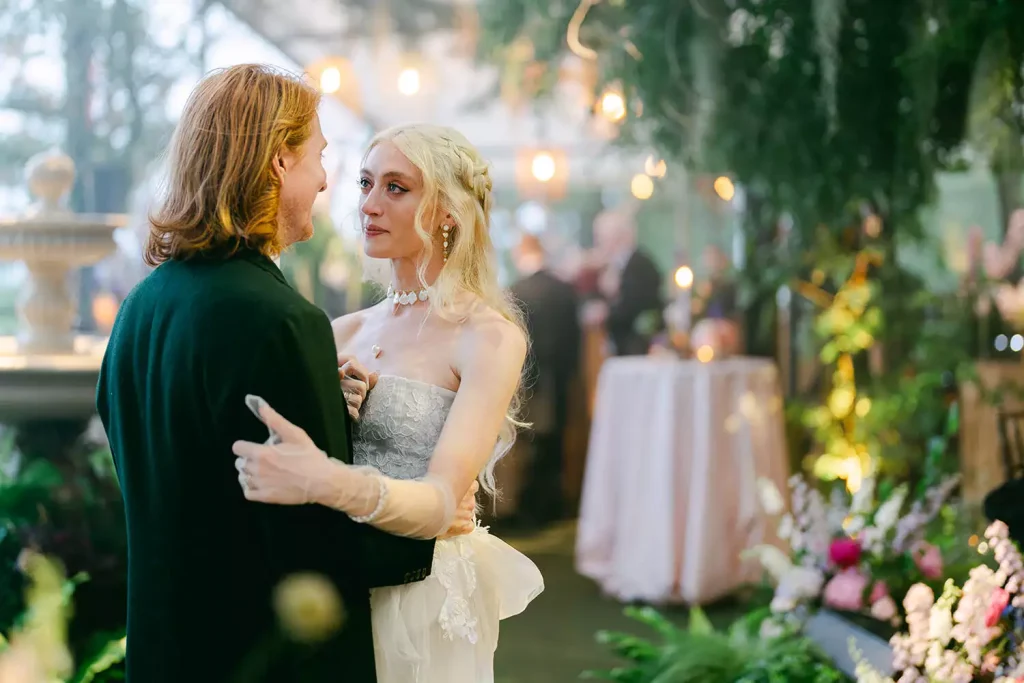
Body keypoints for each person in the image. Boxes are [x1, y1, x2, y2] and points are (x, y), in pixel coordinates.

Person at [95, 65, 477, 683]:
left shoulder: (141, 308)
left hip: (163, 651)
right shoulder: (281, 322)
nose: (326, 182)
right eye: (319, 158)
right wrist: (431, 532)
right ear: (278, 161)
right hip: (258, 659)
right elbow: (312, 550)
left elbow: (179, 479)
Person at [232, 123, 545, 683]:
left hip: (424, 589)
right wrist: (333, 410)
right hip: (341, 577)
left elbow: (445, 495)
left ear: (449, 211)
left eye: (396, 188)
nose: (369, 205)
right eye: (365, 183)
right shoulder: (339, 332)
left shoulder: (487, 336)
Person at [508, 233, 581, 526]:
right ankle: (553, 505)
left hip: (530, 379)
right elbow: (575, 340)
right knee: (555, 442)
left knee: (531, 443)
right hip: (560, 379)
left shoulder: (516, 290)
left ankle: (532, 508)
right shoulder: (565, 290)